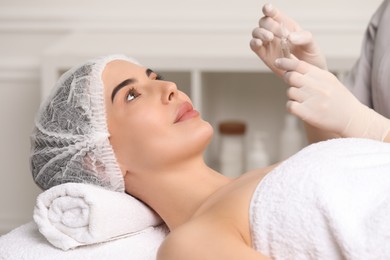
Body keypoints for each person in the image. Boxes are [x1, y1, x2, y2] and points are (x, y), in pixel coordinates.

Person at [30, 54, 390, 259]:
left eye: (156, 77)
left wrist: (364, 124)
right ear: (97, 159)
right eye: (131, 96)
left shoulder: (264, 179)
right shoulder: (191, 243)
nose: (168, 88)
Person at [250, 1, 390, 144]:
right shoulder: (386, 14)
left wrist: (368, 125)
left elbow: (356, 121)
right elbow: (339, 147)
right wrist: (311, 79)